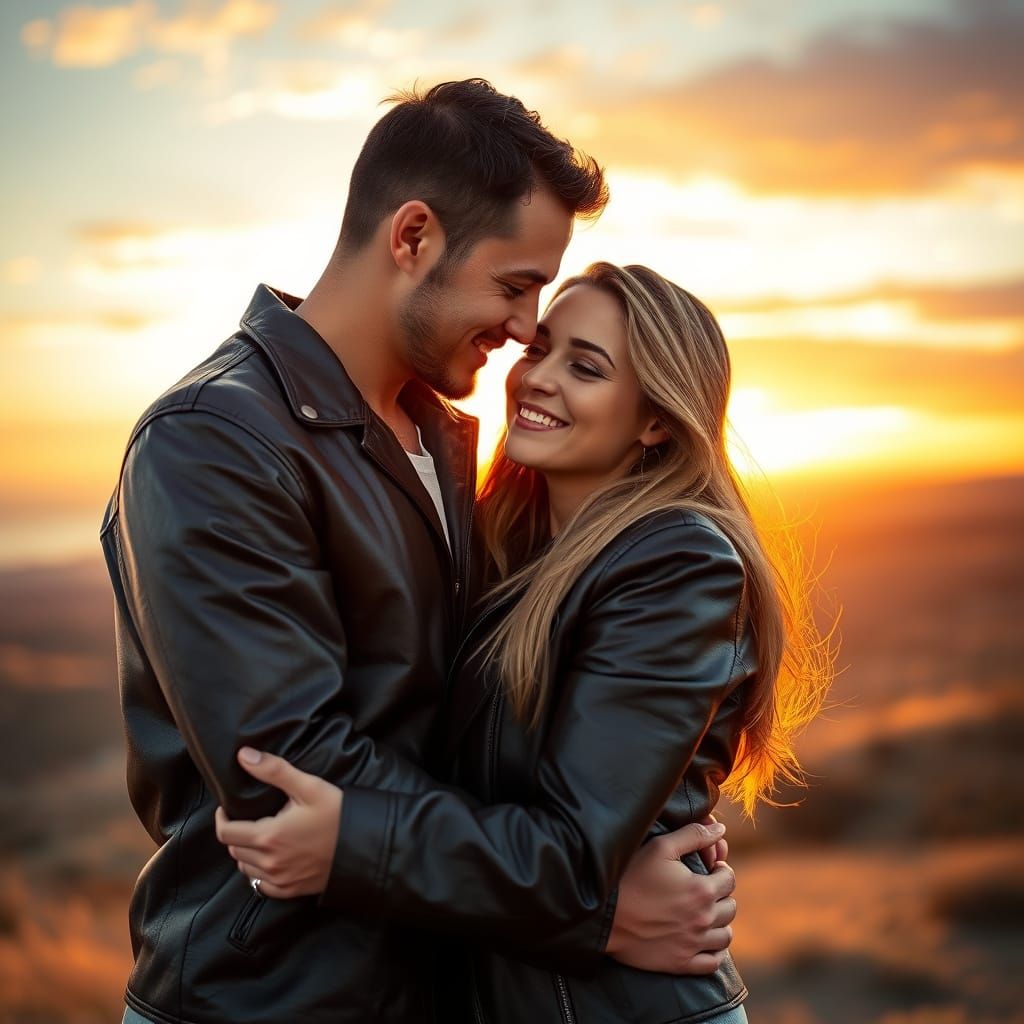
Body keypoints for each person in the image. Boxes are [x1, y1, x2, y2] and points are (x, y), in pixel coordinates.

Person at [101, 80, 740, 1024]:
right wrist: (587, 907)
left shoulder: (445, 445)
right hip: (268, 997)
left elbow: (476, 740)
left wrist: (578, 866)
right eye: (516, 286)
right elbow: (290, 776)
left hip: (437, 988)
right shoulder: (213, 440)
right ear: (413, 238)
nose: (527, 330)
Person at [218, 262, 833, 1023]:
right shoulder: (504, 552)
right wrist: (606, 911)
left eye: (586, 367)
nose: (537, 377)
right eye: (538, 349)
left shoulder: (679, 562)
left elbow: (570, 854)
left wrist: (352, 846)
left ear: (656, 421)